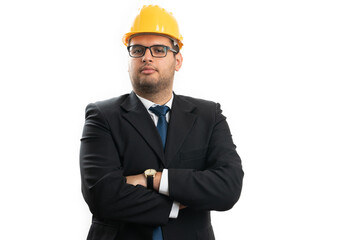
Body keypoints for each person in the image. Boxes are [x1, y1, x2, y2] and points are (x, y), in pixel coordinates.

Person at [80, 5, 244, 240]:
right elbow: (102, 197)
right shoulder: (102, 116)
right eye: (137, 50)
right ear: (129, 61)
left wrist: (152, 179)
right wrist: (179, 201)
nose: (146, 56)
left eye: (158, 50)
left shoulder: (209, 116)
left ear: (178, 60)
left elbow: (228, 187)